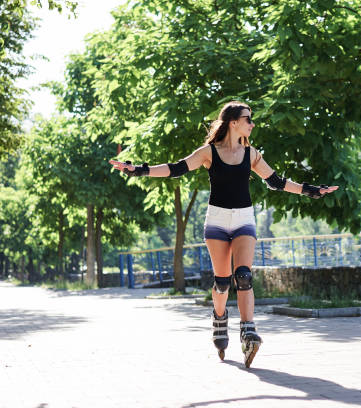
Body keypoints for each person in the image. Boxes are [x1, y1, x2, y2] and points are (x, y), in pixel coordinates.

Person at [109, 101, 339, 367]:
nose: (252, 124)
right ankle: (219, 318)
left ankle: (248, 331)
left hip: (244, 219)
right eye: (248, 119)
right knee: (222, 282)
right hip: (216, 221)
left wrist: (312, 190)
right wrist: (138, 169)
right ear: (233, 122)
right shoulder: (209, 152)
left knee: (243, 275)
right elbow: (176, 168)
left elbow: (276, 182)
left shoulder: (252, 154)